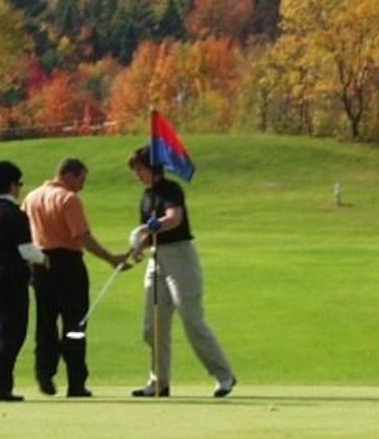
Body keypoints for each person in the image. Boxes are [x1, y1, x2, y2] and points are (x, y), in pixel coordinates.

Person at [127, 144, 236, 399]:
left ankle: (224, 376)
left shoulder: (170, 189)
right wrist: (138, 248)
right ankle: (158, 382)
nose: (137, 174)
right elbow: (148, 234)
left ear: (153, 168)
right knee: (152, 325)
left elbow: (174, 218)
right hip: (157, 259)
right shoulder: (146, 196)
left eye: (140, 169)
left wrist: (152, 225)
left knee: (191, 319)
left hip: (180, 258)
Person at [23, 157, 128, 396]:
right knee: (74, 322)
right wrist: (110, 258)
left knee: (45, 320)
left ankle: (44, 369)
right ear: (69, 175)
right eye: (81, 179)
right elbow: (82, 236)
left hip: (40, 263)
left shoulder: (32, 197)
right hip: (67, 263)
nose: (82, 185)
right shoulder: (68, 199)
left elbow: (25, 233)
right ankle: (76, 381)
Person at [0, 158, 44, 402]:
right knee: (12, 332)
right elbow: (26, 251)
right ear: (12, 185)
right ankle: (0, 387)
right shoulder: (15, 215)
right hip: (9, 277)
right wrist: (43, 258)